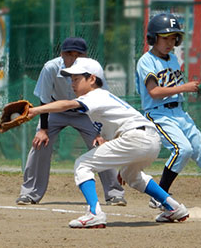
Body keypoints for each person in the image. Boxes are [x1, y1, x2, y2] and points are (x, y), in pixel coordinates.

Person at [24, 57, 189, 228]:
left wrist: (35, 110)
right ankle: (173, 207)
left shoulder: (95, 95)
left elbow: (66, 105)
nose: (72, 84)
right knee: (130, 175)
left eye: (77, 79)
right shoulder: (102, 98)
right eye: (71, 79)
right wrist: (121, 159)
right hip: (149, 140)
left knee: (82, 164)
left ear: (92, 79)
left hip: (136, 137)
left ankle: (94, 213)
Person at [135, 13, 201, 217]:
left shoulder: (174, 58)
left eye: (174, 38)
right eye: (165, 37)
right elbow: (154, 92)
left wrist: (188, 90)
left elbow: (173, 87)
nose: (170, 42)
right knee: (182, 150)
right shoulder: (146, 61)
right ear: (153, 38)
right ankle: (159, 196)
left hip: (180, 113)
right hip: (158, 114)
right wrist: (184, 87)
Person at [16, 37, 127, 206]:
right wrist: (43, 129)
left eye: (79, 54)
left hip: (86, 113)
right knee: (39, 144)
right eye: (69, 54)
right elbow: (45, 100)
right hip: (54, 111)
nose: (74, 58)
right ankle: (29, 193)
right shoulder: (51, 68)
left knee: (102, 146)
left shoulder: (93, 69)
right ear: (61, 54)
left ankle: (114, 193)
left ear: (86, 55)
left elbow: (101, 101)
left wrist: (100, 132)